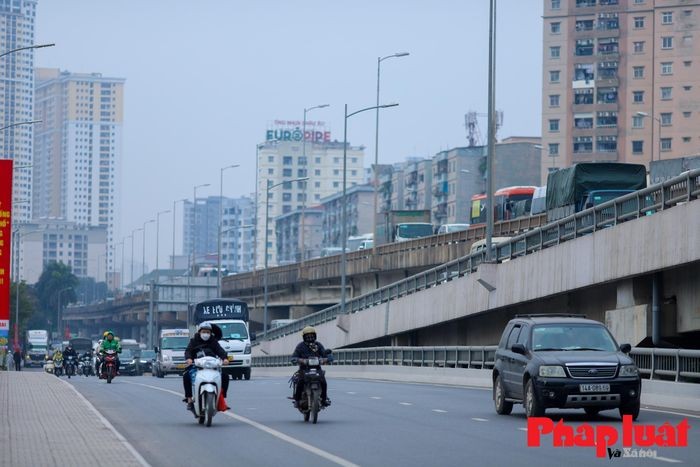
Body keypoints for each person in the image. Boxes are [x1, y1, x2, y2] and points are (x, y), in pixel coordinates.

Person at [183, 322, 229, 414]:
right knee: (186, 376)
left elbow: (220, 351)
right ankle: (189, 400)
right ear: (199, 332)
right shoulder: (194, 341)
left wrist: (225, 358)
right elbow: (188, 351)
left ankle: (221, 398)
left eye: (208, 332)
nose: (206, 334)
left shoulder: (213, 341)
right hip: (197, 366)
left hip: (212, 366)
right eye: (204, 331)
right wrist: (189, 359)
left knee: (225, 376)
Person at [291, 326, 331, 407]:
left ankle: (324, 399)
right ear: (304, 337)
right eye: (307, 336)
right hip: (304, 369)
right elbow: (293, 357)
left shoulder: (318, 345)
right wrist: (299, 360)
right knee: (300, 382)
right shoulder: (300, 346)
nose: (310, 337)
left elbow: (324, 354)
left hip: (317, 369)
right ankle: (297, 400)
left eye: (312, 335)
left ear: (315, 336)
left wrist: (327, 358)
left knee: (324, 382)